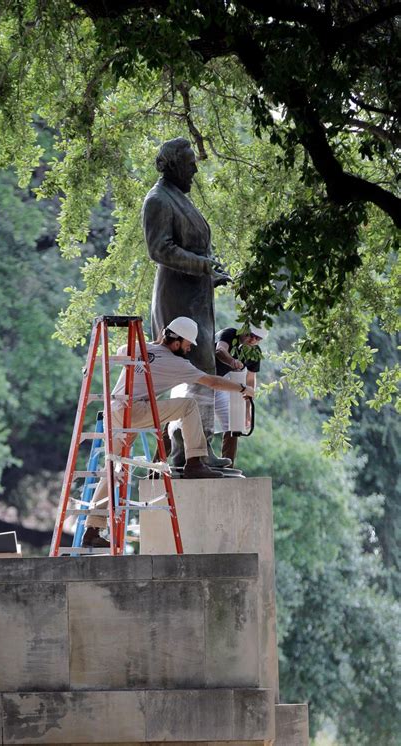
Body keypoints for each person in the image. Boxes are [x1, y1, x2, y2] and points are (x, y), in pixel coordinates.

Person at [82, 316, 254, 548]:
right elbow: (212, 382)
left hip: (115, 410)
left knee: (114, 468)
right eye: (187, 344)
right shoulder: (177, 364)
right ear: (176, 340)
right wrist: (242, 388)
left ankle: (92, 529)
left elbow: (123, 351)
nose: (190, 348)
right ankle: (195, 461)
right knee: (188, 405)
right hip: (134, 411)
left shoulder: (139, 348)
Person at [142, 137, 231, 469]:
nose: (195, 167)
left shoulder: (177, 198)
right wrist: (203, 266)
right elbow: (159, 250)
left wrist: (212, 271)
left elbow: (195, 248)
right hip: (176, 301)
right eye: (190, 161)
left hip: (196, 298)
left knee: (202, 370)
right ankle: (186, 452)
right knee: (193, 371)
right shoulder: (158, 200)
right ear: (173, 164)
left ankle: (198, 450)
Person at [214, 323, 267, 467]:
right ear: (245, 330)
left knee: (233, 423)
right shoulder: (229, 334)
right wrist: (232, 361)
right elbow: (219, 351)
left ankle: (227, 466)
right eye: (251, 335)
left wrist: (247, 410)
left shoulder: (255, 353)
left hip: (220, 385)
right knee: (179, 423)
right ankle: (159, 464)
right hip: (201, 379)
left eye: (258, 338)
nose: (253, 340)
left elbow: (250, 380)